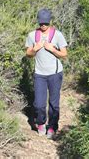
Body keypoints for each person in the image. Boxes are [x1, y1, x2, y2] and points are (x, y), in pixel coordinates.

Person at [25, 8, 68, 139]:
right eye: (41, 23)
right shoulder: (32, 35)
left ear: (50, 21)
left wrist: (52, 49)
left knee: (54, 104)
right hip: (39, 74)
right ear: (38, 22)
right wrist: (35, 49)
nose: (43, 25)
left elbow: (64, 54)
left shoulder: (58, 35)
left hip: (55, 74)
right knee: (39, 104)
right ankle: (41, 123)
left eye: (45, 23)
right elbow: (28, 54)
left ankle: (52, 127)